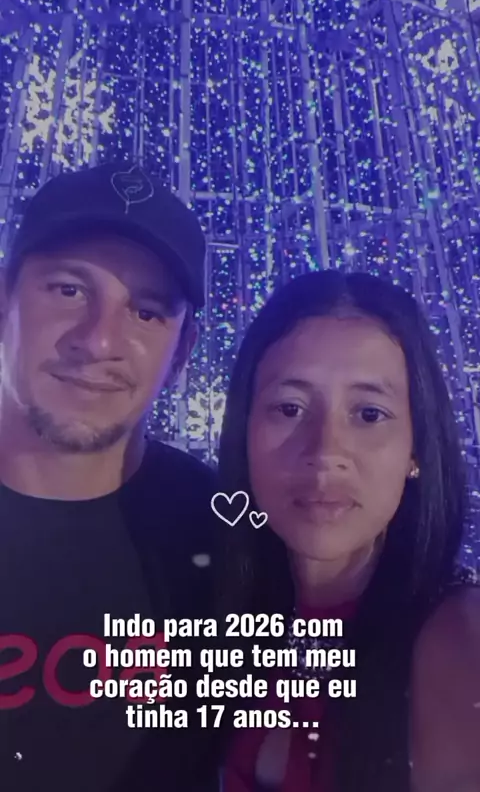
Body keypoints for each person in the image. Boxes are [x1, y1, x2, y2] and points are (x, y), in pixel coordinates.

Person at [216, 270, 480, 792]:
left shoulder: (457, 639)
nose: (325, 452)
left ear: (415, 448)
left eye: (369, 414)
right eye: (289, 408)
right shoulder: (220, 605)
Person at [0, 163, 219, 792]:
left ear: (182, 351)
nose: (98, 341)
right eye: (69, 289)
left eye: (146, 313)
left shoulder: (231, 536)